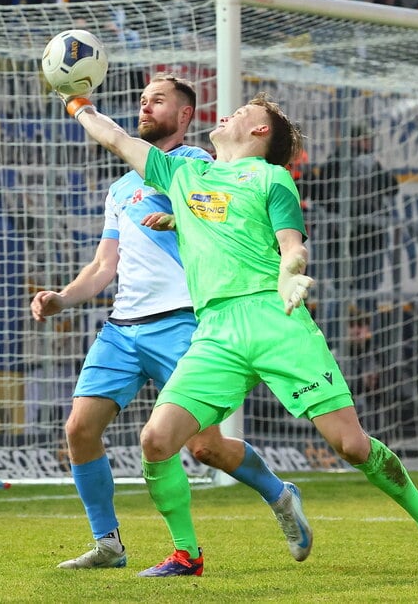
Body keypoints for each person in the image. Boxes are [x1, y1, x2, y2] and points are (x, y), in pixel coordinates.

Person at [55, 89, 418, 578]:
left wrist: (290, 275)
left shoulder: (272, 178)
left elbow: (291, 245)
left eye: (243, 112)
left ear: (260, 131)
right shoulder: (183, 173)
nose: (229, 113)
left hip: (275, 319)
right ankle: (186, 555)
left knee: (351, 446)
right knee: (156, 440)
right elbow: (113, 136)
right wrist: (75, 101)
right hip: (216, 331)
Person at [32, 74, 313, 571]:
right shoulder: (120, 188)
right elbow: (103, 267)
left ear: (185, 116)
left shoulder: (198, 163)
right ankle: (109, 544)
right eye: (142, 100)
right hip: (123, 326)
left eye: (157, 100)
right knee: (79, 428)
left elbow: (227, 214)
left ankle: (279, 494)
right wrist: (63, 298)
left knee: (205, 446)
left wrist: (182, 216)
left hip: (184, 320)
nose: (145, 106)